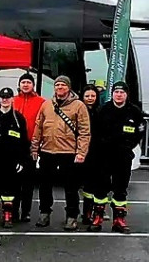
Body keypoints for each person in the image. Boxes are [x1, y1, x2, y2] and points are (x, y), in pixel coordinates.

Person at [31, 75, 90, 231]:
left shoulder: (79, 106)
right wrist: (34, 148)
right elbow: (38, 128)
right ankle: (44, 213)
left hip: (68, 152)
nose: (59, 88)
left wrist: (81, 152)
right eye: (57, 85)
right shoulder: (46, 105)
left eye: (63, 85)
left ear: (69, 88)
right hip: (47, 151)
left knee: (70, 187)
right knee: (45, 186)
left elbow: (85, 131)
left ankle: (71, 217)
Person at [88, 81, 146, 233]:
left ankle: (119, 220)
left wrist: (129, 146)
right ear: (112, 94)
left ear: (126, 94)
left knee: (121, 189)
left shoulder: (134, 112)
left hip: (124, 157)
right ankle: (98, 217)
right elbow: (94, 133)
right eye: (116, 92)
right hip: (104, 157)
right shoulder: (103, 110)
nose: (119, 95)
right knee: (100, 189)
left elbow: (140, 131)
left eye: (122, 92)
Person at [0, 87, 27, 228]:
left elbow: (23, 141)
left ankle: (8, 215)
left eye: (8, 97)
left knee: (9, 189)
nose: (5, 100)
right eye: (3, 97)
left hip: (11, 160)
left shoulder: (18, 119)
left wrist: (21, 160)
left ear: (13, 99)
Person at [13, 72, 44, 223]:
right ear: (19, 85)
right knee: (13, 181)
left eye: (28, 82)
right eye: (23, 82)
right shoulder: (12, 101)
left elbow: (43, 125)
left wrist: (36, 147)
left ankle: (25, 211)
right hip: (14, 147)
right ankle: (12, 210)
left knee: (28, 182)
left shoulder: (41, 102)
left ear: (33, 85)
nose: (25, 85)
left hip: (31, 146)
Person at [79, 84, 100, 225]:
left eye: (93, 96)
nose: (90, 98)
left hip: (96, 153)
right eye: (87, 96)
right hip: (81, 151)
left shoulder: (101, 112)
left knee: (93, 185)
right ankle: (79, 212)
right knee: (80, 184)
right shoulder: (79, 111)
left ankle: (89, 212)